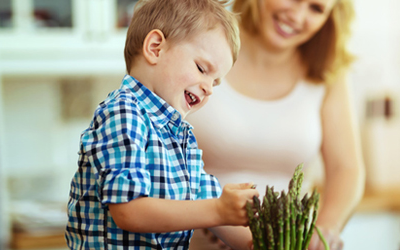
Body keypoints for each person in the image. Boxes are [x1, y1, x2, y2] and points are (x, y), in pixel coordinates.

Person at [64, 0, 260, 249]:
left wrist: (259, 243)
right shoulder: (124, 112)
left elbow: (207, 203)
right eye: (202, 69)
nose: (209, 88)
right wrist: (218, 209)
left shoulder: (182, 134)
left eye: (216, 82)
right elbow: (129, 211)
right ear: (155, 48)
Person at [186, 0, 364, 249]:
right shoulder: (198, 39)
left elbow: (345, 169)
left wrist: (325, 229)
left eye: (316, 8)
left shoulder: (327, 70)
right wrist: (212, 216)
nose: (298, 17)